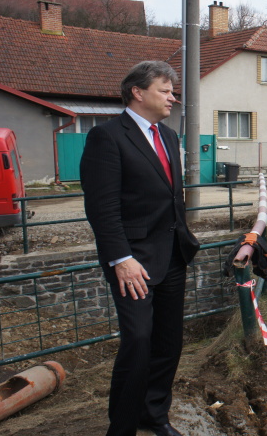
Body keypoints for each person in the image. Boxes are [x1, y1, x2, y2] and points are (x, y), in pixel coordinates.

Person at [80, 61, 200, 436]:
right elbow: (102, 208)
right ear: (138, 92)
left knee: (168, 341)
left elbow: (172, 196)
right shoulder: (107, 137)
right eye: (164, 90)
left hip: (173, 254)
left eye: (172, 91)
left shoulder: (169, 136)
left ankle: (154, 414)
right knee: (137, 341)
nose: (172, 98)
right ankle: (123, 427)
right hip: (133, 262)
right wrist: (121, 258)